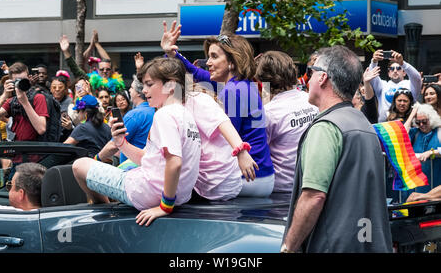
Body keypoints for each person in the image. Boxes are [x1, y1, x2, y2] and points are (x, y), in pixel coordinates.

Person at [281, 45, 392, 253]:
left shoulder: (326, 127)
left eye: (310, 72)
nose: (307, 79)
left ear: (322, 78)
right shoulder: (363, 123)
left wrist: (288, 247)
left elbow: (314, 196)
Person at [72, 57, 201, 226]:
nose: (144, 90)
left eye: (149, 84)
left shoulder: (165, 115)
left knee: (79, 165)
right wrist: (121, 143)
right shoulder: (185, 114)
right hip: (177, 195)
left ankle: (104, 222)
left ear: (170, 85)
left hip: (147, 192)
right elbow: (151, 159)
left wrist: (165, 206)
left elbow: (174, 162)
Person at [161, 20, 274, 197]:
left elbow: (223, 145)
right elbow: (195, 72)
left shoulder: (232, 91)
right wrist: (171, 53)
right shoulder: (239, 84)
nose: (207, 63)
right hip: (260, 176)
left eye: (214, 57)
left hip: (249, 178)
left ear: (232, 62)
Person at [254, 51, 318, 193]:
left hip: (282, 190)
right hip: (311, 184)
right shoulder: (312, 102)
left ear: (261, 80)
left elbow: (259, 152)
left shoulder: (269, 113)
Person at [96, 76, 155, 164]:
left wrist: (96, 158)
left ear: (139, 93)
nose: (129, 90)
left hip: (132, 169)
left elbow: (114, 145)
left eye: (131, 88)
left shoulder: (134, 115)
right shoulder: (155, 110)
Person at [0, 62, 49, 141]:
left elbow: (41, 129)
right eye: (17, 81)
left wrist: (25, 103)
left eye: (24, 80)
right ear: (11, 82)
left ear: (28, 78)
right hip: (17, 149)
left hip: (35, 150)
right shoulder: (12, 100)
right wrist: (4, 96)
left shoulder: (38, 97)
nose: (21, 83)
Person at [368, 49, 422, 122]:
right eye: (392, 69)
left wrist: (403, 63)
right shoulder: (383, 85)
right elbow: (371, 77)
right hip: (385, 124)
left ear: (404, 73)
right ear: (389, 73)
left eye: (399, 68)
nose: (395, 71)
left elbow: (417, 78)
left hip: (407, 123)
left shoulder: (410, 84)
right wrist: (374, 61)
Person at [403, 103, 441, 195]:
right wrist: (412, 115)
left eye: (424, 121)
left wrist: (432, 152)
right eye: (418, 122)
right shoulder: (415, 133)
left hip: (436, 185)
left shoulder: (439, 131)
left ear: (431, 119)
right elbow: (402, 134)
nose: (421, 125)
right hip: (417, 187)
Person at [50, 76, 73, 142]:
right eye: (54, 87)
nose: (57, 89)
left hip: (66, 139)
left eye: (60, 87)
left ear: (66, 89)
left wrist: (70, 126)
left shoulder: (71, 103)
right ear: (50, 89)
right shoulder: (47, 101)